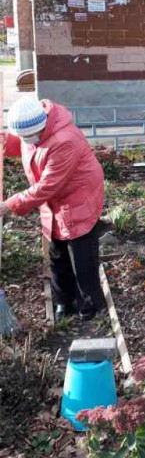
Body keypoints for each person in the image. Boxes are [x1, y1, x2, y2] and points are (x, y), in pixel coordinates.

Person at [0, 96, 105, 321]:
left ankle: (90, 308)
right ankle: (63, 302)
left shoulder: (65, 140)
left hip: (79, 199)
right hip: (56, 203)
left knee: (81, 257)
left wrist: (10, 205)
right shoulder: (35, 131)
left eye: (28, 136)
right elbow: (26, 143)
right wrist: (6, 141)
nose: (26, 141)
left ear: (42, 126)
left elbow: (47, 186)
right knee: (57, 253)